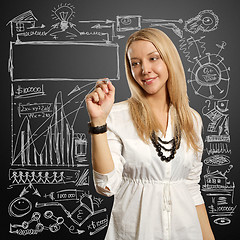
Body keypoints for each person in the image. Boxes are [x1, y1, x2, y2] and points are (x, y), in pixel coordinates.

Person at [86, 28, 215, 240]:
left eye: (153, 58)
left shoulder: (192, 119)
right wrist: (98, 123)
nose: (145, 69)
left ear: (169, 60)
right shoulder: (116, 116)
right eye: (135, 63)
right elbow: (106, 186)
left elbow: (192, 189)